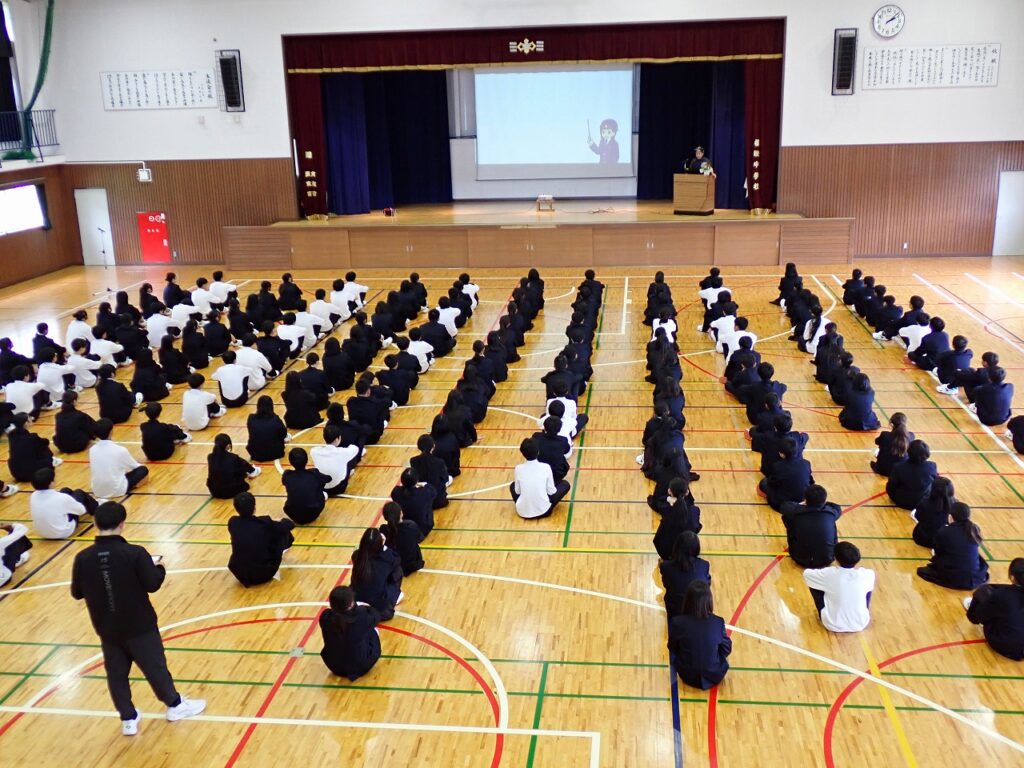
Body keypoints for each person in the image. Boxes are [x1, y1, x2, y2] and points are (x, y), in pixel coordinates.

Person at [70, 501, 206, 735]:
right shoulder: (134, 553)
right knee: (155, 667)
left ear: (95, 523)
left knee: (116, 674)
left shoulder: (83, 558)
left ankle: (128, 718)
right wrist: (160, 567)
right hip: (139, 625)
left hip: (106, 627)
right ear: (122, 524)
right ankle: (175, 705)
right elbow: (152, 583)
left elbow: (77, 592)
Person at [667, 581, 730, 690]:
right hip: (714, 674)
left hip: (687, 674)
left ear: (687, 600)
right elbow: (726, 649)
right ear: (709, 600)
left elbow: (672, 647)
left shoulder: (678, 622)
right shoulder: (718, 622)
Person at [802, 541, 875, 633]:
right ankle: (859, 612)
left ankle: (826, 611)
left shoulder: (829, 573)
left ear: (836, 559)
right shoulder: (868, 574)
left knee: (815, 582)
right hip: (861, 623)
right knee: (867, 587)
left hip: (832, 624)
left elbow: (807, 574)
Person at [227, 492, 296, 587]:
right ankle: (282, 550)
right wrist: (284, 521)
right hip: (264, 573)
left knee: (262, 536)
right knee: (281, 532)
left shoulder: (233, 522)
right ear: (254, 507)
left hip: (240, 574)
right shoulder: (264, 522)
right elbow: (288, 525)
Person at [917, 502, 989, 590]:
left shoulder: (945, 531)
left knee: (924, 570)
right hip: (975, 578)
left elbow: (938, 552)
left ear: (950, 517)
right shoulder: (974, 528)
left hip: (955, 576)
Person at [318, 585, 382, 681]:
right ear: (351, 603)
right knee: (371, 631)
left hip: (334, 666)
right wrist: (360, 608)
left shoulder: (325, 617)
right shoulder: (359, 619)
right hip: (360, 667)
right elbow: (376, 616)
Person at [965, 557, 1024, 661]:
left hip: (1006, 645)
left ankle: (974, 606)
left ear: (1012, 577)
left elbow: (980, 617)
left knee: (983, 593)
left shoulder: (1003, 595)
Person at [781, 485, 842, 568]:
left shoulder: (797, 511)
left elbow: (784, 506)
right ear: (824, 499)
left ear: (805, 499)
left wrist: (803, 504)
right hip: (828, 559)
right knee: (830, 521)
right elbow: (837, 507)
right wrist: (823, 502)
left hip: (799, 558)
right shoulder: (831, 512)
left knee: (787, 517)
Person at [350, 527, 403, 621]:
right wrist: (384, 546)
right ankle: (395, 596)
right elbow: (397, 559)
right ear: (379, 543)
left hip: (357, 598)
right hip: (381, 609)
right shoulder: (386, 558)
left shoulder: (356, 555)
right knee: (398, 571)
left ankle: (362, 605)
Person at [510, 438, 570, 519]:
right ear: (538, 452)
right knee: (565, 484)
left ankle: (526, 505)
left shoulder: (518, 468)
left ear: (522, 453)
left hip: (522, 512)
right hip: (544, 511)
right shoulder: (545, 467)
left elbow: (517, 491)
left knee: (512, 485)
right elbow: (551, 491)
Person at [89, 419, 148, 500]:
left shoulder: (92, 450)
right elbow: (135, 466)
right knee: (143, 469)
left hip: (97, 490)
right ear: (111, 431)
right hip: (117, 489)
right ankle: (132, 487)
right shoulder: (120, 450)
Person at [659, 531, 711, 618]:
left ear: (677, 546)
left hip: (675, 608)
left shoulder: (666, 566)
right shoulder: (704, 565)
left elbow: (667, 585)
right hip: (698, 608)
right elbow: (706, 585)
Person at [758, 438, 813, 511]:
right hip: (801, 498)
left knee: (764, 482)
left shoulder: (778, 466)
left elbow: (772, 483)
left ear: (781, 453)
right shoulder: (806, 463)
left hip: (781, 502)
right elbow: (810, 481)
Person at [653, 477, 702, 559]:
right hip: (688, 550)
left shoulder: (666, 509)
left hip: (668, 552)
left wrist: (667, 498)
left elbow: (658, 500)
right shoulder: (695, 510)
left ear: (669, 491)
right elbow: (697, 527)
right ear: (687, 492)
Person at [281, 447, 330, 524]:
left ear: (290, 462)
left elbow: (284, 482)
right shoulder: (314, 473)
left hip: (292, 513)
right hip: (313, 512)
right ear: (306, 460)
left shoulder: (287, 475)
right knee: (321, 491)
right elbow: (328, 479)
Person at [7, 413, 61, 483]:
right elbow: (44, 443)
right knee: (43, 447)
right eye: (29, 418)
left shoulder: (11, 435)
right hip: (31, 473)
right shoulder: (32, 438)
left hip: (16, 472)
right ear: (25, 423)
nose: (32, 418)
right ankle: (52, 460)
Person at [885, 439, 936, 510]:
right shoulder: (932, 466)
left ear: (908, 452)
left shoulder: (898, 467)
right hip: (922, 503)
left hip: (902, 501)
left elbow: (891, 487)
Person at [310, 425, 360, 496]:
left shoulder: (314, 451)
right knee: (349, 460)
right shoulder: (343, 452)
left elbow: (316, 449)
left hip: (322, 487)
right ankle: (347, 474)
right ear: (337, 439)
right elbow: (355, 448)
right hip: (338, 488)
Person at [206, 433, 260, 499]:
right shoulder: (233, 458)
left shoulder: (210, 457)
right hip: (230, 492)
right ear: (228, 445)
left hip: (215, 492)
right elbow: (244, 469)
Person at [379, 500, 424, 575]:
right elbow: (419, 539)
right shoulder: (411, 526)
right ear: (401, 513)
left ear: (385, 517)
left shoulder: (383, 529)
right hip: (412, 564)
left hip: (394, 565)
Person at [911, 475, 956, 549]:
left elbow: (918, 516)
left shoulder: (925, 503)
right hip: (943, 541)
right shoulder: (955, 504)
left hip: (923, 538)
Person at [389, 468, 436, 536]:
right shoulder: (425, 492)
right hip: (422, 530)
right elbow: (433, 492)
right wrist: (425, 485)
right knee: (427, 503)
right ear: (417, 480)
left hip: (403, 527)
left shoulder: (396, 491)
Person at [409, 435, 450, 509]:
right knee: (448, 478)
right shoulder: (439, 462)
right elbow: (445, 478)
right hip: (439, 501)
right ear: (433, 446)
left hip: (423, 501)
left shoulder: (413, 461)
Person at [246, 395, 290, 462]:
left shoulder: (251, 418)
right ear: (271, 406)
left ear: (258, 406)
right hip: (275, 453)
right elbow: (284, 434)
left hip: (255, 454)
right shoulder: (275, 419)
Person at [871, 412, 912, 477]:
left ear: (891, 424)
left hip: (883, 470)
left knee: (874, 450)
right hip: (901, 471)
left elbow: (877, 441)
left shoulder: (885, 435)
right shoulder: (911, 436)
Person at [0, 522, 32, 587]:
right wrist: (10, 526)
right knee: (15, 539)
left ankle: (17, 559)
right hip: (3, 578)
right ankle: (18, 559)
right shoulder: (1, 542)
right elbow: (22, 529)